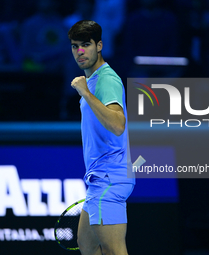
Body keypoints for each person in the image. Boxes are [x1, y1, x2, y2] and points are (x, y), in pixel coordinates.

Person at [68, 20, 135, 255]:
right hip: (100, 178)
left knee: (115, 250)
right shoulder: (95, 79)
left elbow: (117, 124)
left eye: (86, 45)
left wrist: (85, 92)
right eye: (75, 46)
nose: (80, 51)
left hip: (109, 178)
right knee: (87, 246)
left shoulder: (106, 80)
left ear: (99, 46)